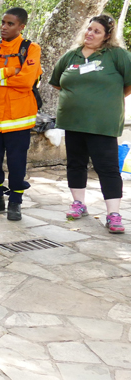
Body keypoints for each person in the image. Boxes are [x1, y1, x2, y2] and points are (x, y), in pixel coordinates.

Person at [48, 14, 131, 233]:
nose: (90, 34)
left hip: (102, 124)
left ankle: (113, 214)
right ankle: (78, 203)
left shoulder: (117, 55)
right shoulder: (71, 55)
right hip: (73, 122)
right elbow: (57, 83)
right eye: (89, 29)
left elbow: (128, 84)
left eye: (96, 31)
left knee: (108, 168)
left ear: (107, 36)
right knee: (75, 164)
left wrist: (106, 98)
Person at [0, 7, 42, 221]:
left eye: (10, 24)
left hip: (19, 119)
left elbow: (26, 81)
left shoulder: (31, 49)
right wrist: (10, 71)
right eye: (3, 22)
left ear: (21, 26)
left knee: (16, 163)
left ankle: (15, 202)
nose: (4, 27)